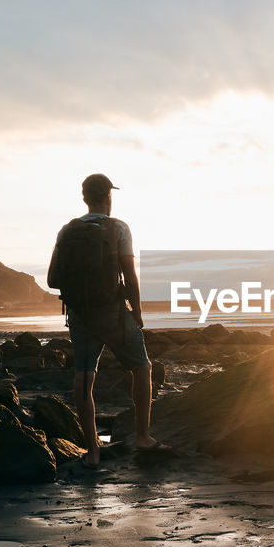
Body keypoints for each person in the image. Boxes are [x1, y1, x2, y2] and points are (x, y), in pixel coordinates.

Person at [49, 173, 167, 466]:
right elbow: (130, 275)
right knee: (142, 368)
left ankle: (93, 452)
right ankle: (143, 437)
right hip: (112, 313)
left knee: (84, 377)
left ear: (84, 198)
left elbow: (53, 279)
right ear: (108, 197)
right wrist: (136, 312)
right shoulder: (118, 229)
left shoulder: (66, 231)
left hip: (79, 314)